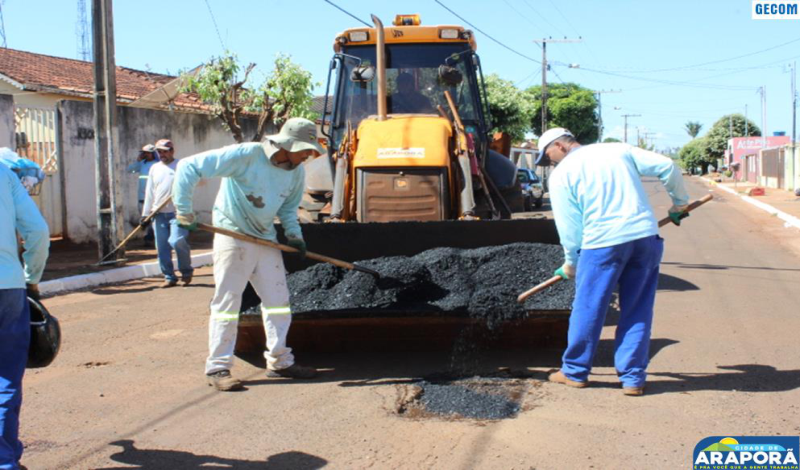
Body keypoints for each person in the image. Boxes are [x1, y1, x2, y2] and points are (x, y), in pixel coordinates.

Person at [173, 117, 324, 391]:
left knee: (279, 302)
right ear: (287, 143)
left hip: (266, 240)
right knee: (228, 303)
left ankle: (280, 362)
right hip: (234, 237)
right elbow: (189, 166)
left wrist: (294, 236)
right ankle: (218, 367)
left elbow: (288, 209)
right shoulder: (247, 155)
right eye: (304, 149)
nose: (308, 155)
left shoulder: (296, 171)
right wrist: (184, 210)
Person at [536, 128, 690, 396]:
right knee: (637, 308)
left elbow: (570, 228)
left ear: (559, 145)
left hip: (602, 244)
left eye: (548, 156)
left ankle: (574, 371)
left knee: (588, 307)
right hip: (644, 238)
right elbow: (667, 165)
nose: (550, 163)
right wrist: (679, 204)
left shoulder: (562, 174)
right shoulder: (617, 149)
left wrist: (571, 261)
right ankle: (633, 378)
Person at [0, 163, 49, 469]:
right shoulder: (4, 173)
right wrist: (32, 276)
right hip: (7, 286)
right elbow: (38, 231)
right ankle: (5, 459)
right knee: (5, 376)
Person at [141, 139, 193, 288]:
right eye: (160, 152)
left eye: (165, 151)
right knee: (162, 247)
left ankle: (186, 272)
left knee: (176, 241)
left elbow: (194, 185)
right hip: (159, 213)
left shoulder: (181, 166)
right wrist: (145, 214)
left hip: (178, 212)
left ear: (172, 151)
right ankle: (169, 276)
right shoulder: (154, 168)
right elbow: (150, 192)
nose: (162, 154)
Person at [127, 144, 158, 246]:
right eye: (144, 153)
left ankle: (149, 238)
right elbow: (129, 169)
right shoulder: (142, 164)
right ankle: (150, 237)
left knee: (153, 219)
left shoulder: (158, 164)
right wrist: (138, 161)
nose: (146, 155)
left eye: (148, 153)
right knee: (145, 219)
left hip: (154, 197)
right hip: (142, 197)